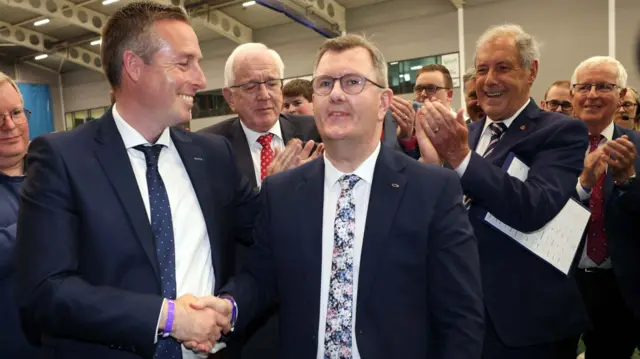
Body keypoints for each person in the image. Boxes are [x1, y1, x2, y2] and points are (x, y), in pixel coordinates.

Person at [199, 33, 484, 359]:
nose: (335, 94)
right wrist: (227, 307)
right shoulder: (282, 192)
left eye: (352, 82)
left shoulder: (432, 190)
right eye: (324, 84)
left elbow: (461, 317)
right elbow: (260, 278)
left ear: (384, 102)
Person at [16, 2, 257, 358]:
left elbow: (267, 244)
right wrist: (167, 317)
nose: (201, 79)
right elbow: (44, 292)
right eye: (183, 62)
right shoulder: (62, 159)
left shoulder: (214, 156)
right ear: (133, 66)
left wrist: (232, 305)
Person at [415, 23, 590, 359]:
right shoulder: (466, 132)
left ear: (531, 71)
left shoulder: (562, 132)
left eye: (502, 67)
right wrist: (431, 165)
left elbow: (534, 207)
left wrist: (460, 157)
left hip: (526, 324)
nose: (489, 79)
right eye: (481, 70)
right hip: (461, 313)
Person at [570, 56, 640, 359]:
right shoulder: (550, 147)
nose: (592, 94)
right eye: (584, 87)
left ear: (622, 96)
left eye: (604, 87)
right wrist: (583, 185)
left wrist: (628, 182)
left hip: (620, 287)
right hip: (563, 281)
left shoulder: (636, 147)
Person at [199, 43, 322, 192]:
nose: (264, 95)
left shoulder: (316, 130)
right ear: (230, 97)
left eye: (272, 83)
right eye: (250, 86)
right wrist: (276, 186)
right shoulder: (207, 147)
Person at [0, 72, 38, 358]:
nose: (9, 125)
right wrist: (41, 224)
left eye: (15, 113)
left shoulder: (54, 175)